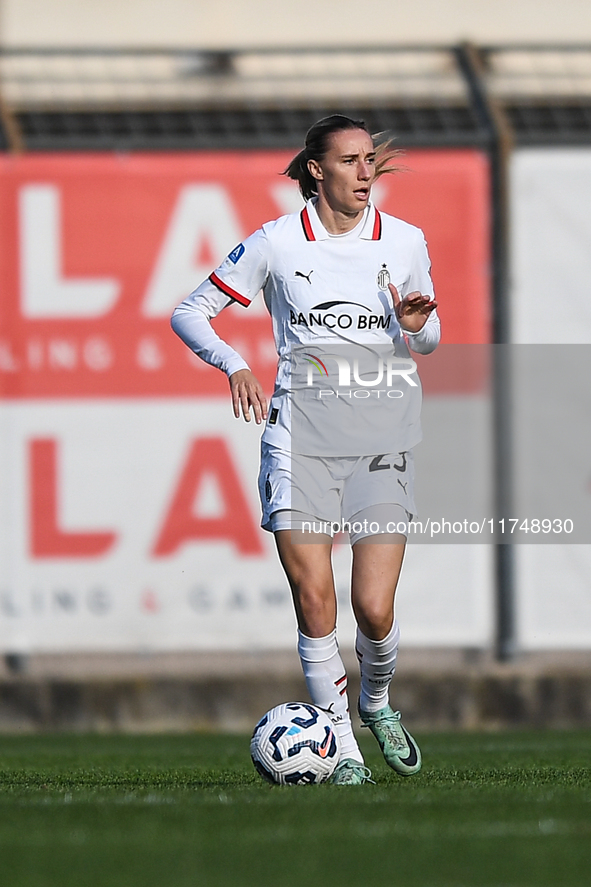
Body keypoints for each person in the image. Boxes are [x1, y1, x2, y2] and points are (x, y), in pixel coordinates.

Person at [171, 115, 440, 785]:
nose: (364, 172)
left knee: (374, 609)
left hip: (381, 440)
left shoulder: (403, 240)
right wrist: (234, 364)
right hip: (299, 439)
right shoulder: (276, 242)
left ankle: (376, 704)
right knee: (314, 599)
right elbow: (189, 311)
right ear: (316, 170)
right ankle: (342, 751)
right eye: (349, 161)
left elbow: (431, 335)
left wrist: (415, 326)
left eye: (369, 160)